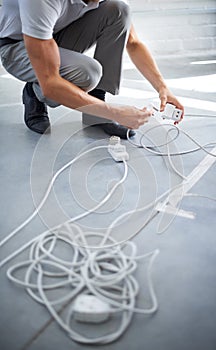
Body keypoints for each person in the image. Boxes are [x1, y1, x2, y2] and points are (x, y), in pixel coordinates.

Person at [0, 0, 184, 139]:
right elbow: (50, 82)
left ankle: (94, 113)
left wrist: (163, 88)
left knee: (119, 9)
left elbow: (133, 43)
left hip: (54, 33)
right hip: (16, 45)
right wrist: (115, 112)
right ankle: (33, 92)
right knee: (88, 72)